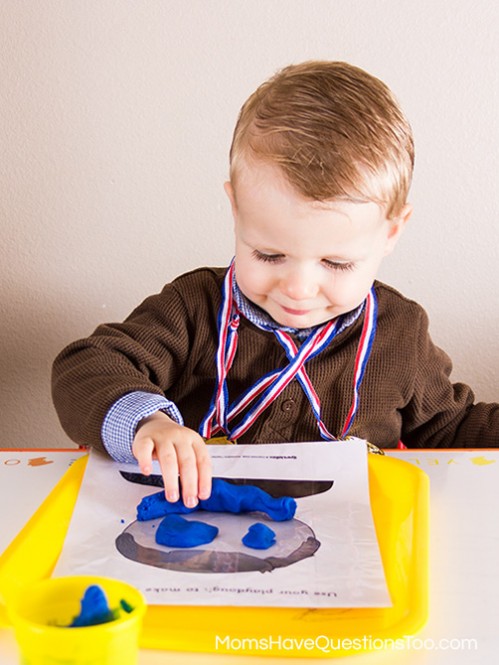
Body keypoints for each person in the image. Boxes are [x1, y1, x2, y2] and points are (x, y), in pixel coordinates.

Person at [52, 60, 499, 509]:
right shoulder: (193, 308)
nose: (299, 288)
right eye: (269, 255)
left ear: (391, 232)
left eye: (336, 263)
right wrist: (148, 423)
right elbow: (85, 366)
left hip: (346, 551)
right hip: (194, 536)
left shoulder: (401, 335)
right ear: (236, 208)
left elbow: (451, 428)